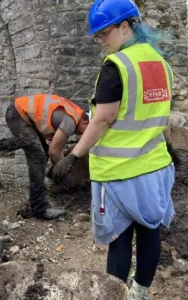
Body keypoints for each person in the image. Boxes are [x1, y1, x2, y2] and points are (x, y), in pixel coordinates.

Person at [52, 0, 175, 299]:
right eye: (97, 35)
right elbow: (159, 112)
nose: (100, 41)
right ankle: (139, 292)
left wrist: (73, 156)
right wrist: (170, 146)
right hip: (156, 168)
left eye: (104, 33)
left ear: (126, 26)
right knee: (150, 231)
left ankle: (114, 294)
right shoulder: (159, 62)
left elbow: (103, 119)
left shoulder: (117, 66)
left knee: (119, 239)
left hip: (120, 174)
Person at [0, 94, 88, 220]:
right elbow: (54, 151)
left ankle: (34, 202)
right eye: (87, 130)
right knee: (38, 157)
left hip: (20, 114)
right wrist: (64, 174)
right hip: (19, 114)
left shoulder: (73, 113)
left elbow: (53, 150)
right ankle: (40, 209)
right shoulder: (72, 120)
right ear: (85, 122)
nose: (83, 135)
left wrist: (59, 167)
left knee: (40, 152)